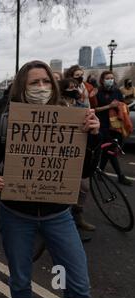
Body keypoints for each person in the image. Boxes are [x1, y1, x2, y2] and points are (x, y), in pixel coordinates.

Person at [0, 60, 101, 298]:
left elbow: (85, 171)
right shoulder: (1, 123)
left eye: (47, 81)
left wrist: (93, 137)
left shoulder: (73, 121)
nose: (42, 86)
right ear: (22, 87)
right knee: (21, 283)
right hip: (16, 215)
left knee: (78, 287)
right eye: (35, 82)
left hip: (58, 215)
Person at [59, 78, 96, 233]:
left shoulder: (82, 106)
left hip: (80, 151)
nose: (74, 89)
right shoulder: (57, 105)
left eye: (75, 86)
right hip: (61, 152)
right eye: (70, 87)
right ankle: (64, 223)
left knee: (84, 187)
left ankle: (78, 216)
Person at [95, 71, 132, 186]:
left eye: (112, 78)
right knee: (111, 149)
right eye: (107, 78)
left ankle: (99, 171)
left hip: (115, 126)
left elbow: (122, 106)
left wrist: (120, 107)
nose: (110, 80)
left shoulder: (117, 91)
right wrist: (109, 106)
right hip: (103, 125)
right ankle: (120, 176)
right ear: (102, 80)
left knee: (108, 150)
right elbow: (94, 109)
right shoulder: (98, 92)